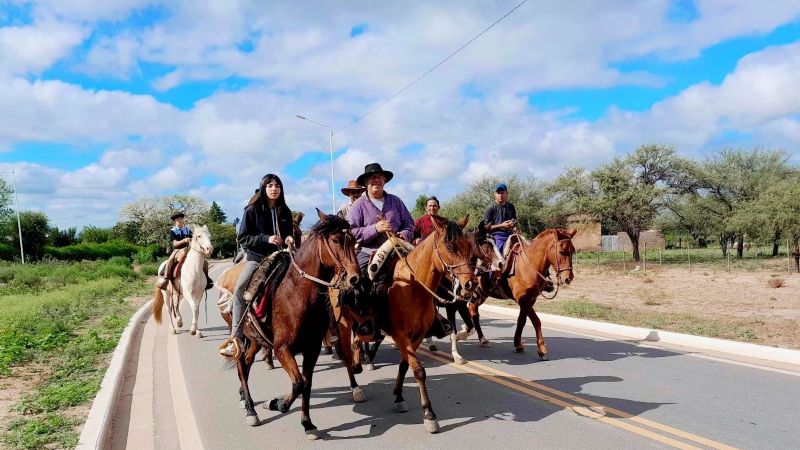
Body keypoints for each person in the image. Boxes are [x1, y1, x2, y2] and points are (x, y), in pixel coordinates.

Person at [347, 163, 451, 338]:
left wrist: (404, 233)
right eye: (372, 178)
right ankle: (366, 320)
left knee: (426, 272)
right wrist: (375, 228)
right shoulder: (358, 205)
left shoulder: (396, 201)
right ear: (366, 182)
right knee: (359, 281)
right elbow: (351, 232)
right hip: (369, 251)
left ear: (385, 181)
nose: (376, 180)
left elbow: (409, 223)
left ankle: (434, 318)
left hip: (399, 248)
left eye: (380, 177)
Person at [220, 174, 295, 357]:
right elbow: (244, 238)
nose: (274, 188)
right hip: (258, 258)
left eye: (277, 185)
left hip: (283, 257)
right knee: (239, 290)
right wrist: (266, 238)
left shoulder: (284, 210)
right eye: (270, 185)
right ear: (264, 188)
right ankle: (235, 338)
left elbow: (288, 233)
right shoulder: (252, 211)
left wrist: (289, 238)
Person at [157, 212, 213, 290]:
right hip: (178, 250)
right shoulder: (173, 231)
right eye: (178, 219)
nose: (180, 220)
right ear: (175, 221)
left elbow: (194, 240)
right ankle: (166, 280)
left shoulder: (188, 229)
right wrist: (184, 240)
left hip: (189, 249)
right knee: (171, 259)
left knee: (204, 261)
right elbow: (175, 244)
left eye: (181, 218)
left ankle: (207, 279)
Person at [483, 182, 518, 252]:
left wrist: (514, 227)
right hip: (497, 236)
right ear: (495, 194)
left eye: (502, 193)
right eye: (498, 193)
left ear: (506, 194)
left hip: (510, 233)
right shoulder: (490, 208)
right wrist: (501, 225)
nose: (500, 195)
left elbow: (514, 220)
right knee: (499, 251)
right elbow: (485, 227)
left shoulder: (511, 207)